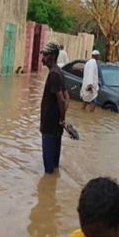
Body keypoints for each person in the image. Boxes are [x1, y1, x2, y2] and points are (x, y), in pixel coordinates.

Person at [40, 42, 69, 174]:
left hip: (49, 124)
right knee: (55, 164)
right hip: (56, 123)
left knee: (48, 167)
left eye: (45, 55)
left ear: (52, 56)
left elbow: (62, 100)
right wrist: (62, 119)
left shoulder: (54, 75)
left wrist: (62, 118)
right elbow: (66, 97)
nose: (42, 58)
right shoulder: (59, 72)